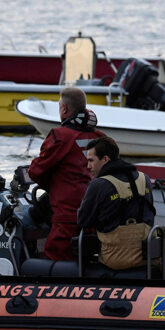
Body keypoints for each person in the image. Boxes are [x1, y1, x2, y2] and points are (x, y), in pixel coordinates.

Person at [25, 86, 107, 261]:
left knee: (55, 256)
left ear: (64, 109)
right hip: (96, 216)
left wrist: (51, 185)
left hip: (67, 218)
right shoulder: (100, 138)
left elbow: (36, 171)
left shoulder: (60, 136)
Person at [77, 136, 165, 275]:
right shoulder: (143, 178)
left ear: (105, 159)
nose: (88, 166)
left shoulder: (98, 184)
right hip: (148, 257)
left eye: (91, 160)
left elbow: (83, 221)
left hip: (115, 259)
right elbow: (150, 215)